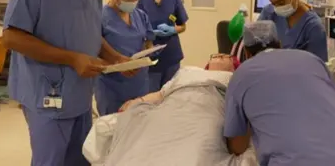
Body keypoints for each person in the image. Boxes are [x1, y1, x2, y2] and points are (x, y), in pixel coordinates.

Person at [2, 0, 134, 166]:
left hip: (80, 96)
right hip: (47, 95)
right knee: (51, 161)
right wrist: (72, 58)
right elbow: (11, 37)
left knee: (80, 159)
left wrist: (114, 57)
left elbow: (90, 32)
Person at [223, 21, 335, 166]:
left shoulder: (241, 75)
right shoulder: (311, 59)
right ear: (280, 45)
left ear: (246, 53)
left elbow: (237, 146)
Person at [87, 55, 259, 166]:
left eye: (226, 56)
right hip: (173, 106)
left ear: (234, 66)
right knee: (142, 136)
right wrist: (137, 101)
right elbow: (161, 94)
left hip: (207, 111)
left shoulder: (236, 79)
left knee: (201, 145)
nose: (219, 55)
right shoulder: (188, 72)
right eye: (214, 55)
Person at [95, 0, 158, 115]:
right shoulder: (100, 17)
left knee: (139, 127)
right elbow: (93, 50)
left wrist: (148, 50)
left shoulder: (139, 15)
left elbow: (148, 39)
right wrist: (116, 64)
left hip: (139, 83)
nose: (134, 2)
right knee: (114, 130)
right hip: (112, 87)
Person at [137, 0, 189, 92]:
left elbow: (183, 26)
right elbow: (133, 26)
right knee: (152, 99)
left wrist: (172, 29)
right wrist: (148, 34)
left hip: (171, 55)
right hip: (150, 56)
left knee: (171, 96)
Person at [258, 0, 328, 62]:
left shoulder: (314, 27)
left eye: (281, 3)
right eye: (273, 3)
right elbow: (255, 47)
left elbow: (317, 68)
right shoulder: (269, 13)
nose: (277, 7)